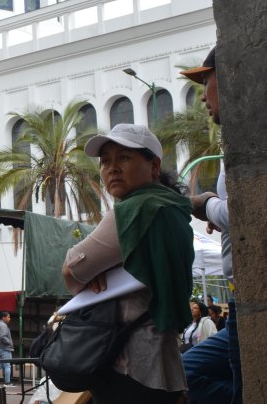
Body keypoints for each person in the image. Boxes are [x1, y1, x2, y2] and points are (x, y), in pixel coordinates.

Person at [62, 124, 193, 403]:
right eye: (106, 161)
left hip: (129, 365)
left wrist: (96, 273)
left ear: (154, 165)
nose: (112, 168)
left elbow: (70, 272)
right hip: (165, 362)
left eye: (124, 158)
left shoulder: (133, 211)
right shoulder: (174, 209)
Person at [182, 47, 240, 404]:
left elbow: (249, 214)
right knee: (187, 372)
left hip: (247, 298)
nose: (203, 95)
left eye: (207, 81)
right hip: (240, 297)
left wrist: (207, 205)